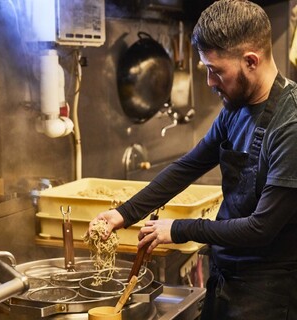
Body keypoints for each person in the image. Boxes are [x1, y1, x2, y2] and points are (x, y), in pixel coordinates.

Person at [89, 0, 297, 319]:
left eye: (215, 71)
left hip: (270, 293)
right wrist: (122, 214)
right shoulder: (233, 110)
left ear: (251, 61)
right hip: (225, 277)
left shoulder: (290, 124)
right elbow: (188, 166)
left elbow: (261, 228)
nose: (210, 83)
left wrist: (178, 229)